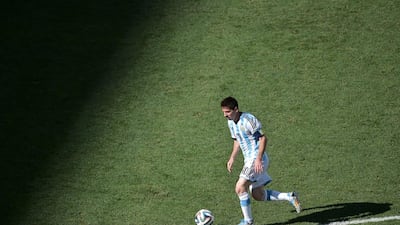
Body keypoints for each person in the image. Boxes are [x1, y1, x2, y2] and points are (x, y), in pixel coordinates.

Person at [220, 96, 301, 225]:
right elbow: (237, 140)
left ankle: (248, 221)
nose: (225, 115)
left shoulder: (248, 120)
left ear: (236, 109)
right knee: (258, 195)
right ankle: (290, 196)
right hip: (250, 160)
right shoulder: (230, 122)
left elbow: (263, 138)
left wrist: (258, 159)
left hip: (257, 158)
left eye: (228, 112)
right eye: (223, 112)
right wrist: (232, 158)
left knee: (240, 187)